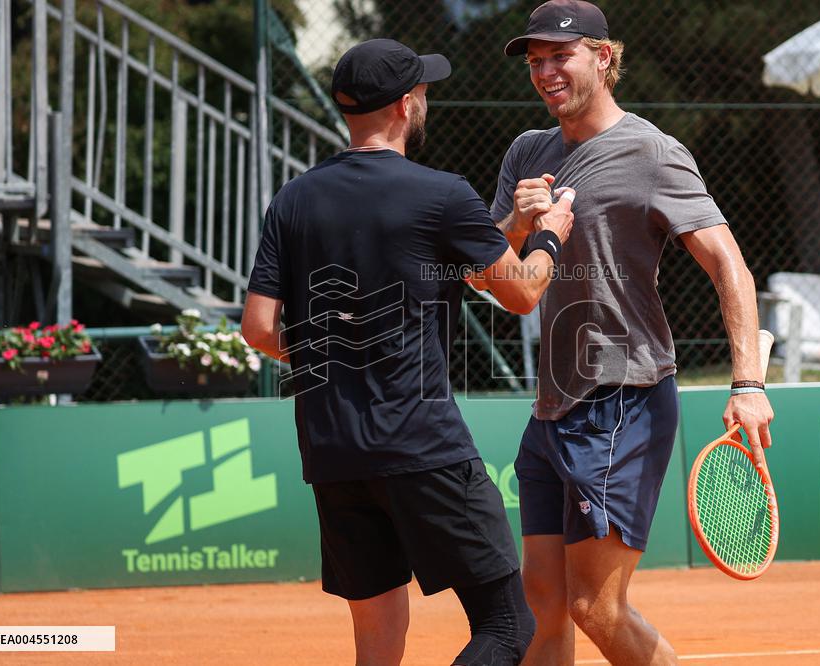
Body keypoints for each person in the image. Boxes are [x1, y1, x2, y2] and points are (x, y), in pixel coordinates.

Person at [241, 38, 576, 666]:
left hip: (332, 448)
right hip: (421, 443)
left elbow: (259, 329)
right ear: (404, 104)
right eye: (421, 89)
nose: (426, 98)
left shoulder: (294, 198)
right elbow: (523, 293)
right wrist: (551, 236)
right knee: (506, 627)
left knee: (378, 635)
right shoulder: (441, 192)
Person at [487, 2, 776, 664]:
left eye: (561, 56)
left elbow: (729, 263)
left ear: (604, 57)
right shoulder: (526, 154)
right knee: (543, 601)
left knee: (595, 605)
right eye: (536, 62)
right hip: (552, 406)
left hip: (623, 398)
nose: (546, 72)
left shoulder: (651, 152)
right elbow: (497, 286)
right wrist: (514, 226)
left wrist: (749, 382)